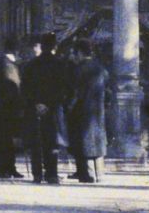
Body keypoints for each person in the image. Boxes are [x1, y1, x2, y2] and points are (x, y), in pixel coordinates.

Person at [20, 35, 73, 184]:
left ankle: (37, 174)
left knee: (36, 141)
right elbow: (64, 88)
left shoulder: (30, 65)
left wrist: (36, 104)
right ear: (54, 47)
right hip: (53, 109)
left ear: (41, 46)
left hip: (34, 109)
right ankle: (51, 174)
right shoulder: (60, 65)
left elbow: (24, 88)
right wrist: (49, 104)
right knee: (52, 142)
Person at [69, 47, 109, 183]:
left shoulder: (78, 70)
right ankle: (100, 173)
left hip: (80, 110)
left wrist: (69, 107)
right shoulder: (100, 68)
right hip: (97, 112)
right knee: (97, 142)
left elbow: (73, 92)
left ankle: (87, 174)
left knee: (83, 142)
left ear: (80, 52)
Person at [0, 42, 25, 179]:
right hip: (7, 109)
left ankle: (10, 167)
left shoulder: (6, 64)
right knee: (5, 140)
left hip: (6, 108)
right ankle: (3, 169)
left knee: (9, 140)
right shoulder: (7, 65)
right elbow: (12, 87)